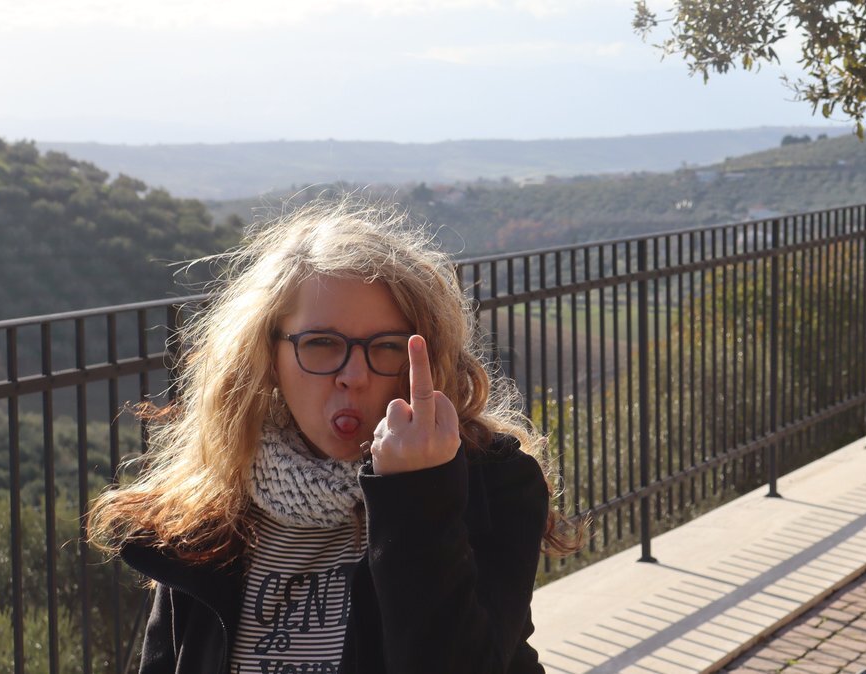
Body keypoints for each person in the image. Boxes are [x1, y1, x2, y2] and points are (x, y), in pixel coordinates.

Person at [88, 200, 577, 674]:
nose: (353, 376)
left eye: (386, 346)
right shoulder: (212, 502)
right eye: (321, 343)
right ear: (268, 356)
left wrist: (415, 496)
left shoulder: (491, 485)